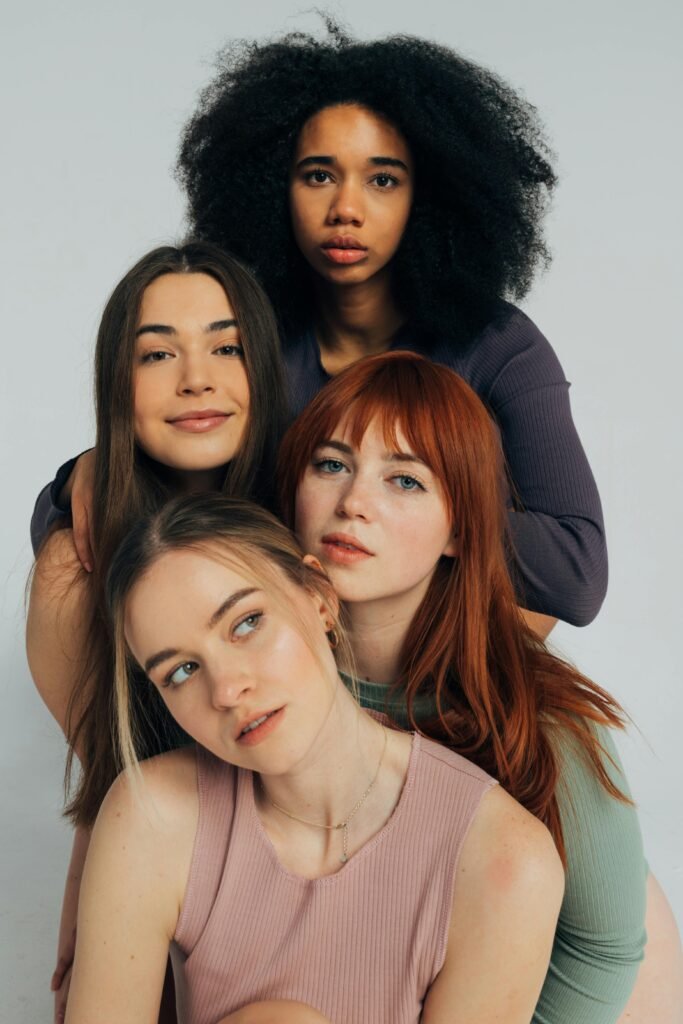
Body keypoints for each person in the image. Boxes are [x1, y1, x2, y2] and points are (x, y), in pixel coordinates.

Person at [33, 23, 606, 631]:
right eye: (318, 176)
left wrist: (411, 505)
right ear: (273, 190)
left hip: (453, 649)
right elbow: (165, 498)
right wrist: (85, 473)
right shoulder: (253, 342)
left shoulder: (497, 345)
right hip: (291, 636)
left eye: (382, 179)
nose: (346, 210)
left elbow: (577, 575)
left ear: (430, 197)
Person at [278, 351, 683, 1024]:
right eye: (330, 465)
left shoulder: (541, 718)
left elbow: (603, 948)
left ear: (460, 530)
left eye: (403, 481)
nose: (353, 502)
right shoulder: (252, 685)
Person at [65, 493, 564, 1024]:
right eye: (181, 672)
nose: (228, 690)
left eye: (246, 623)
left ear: (319, 597)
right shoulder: (154, 817)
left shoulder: (504, 859)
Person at [26, 241, 288, 1023]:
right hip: (180, 903)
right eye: (156, 354)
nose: (195, 378)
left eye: (226, 346)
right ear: (119, 385)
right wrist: (90, 899)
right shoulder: (74, 570)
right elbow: (112, 771)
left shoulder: (319, 507)